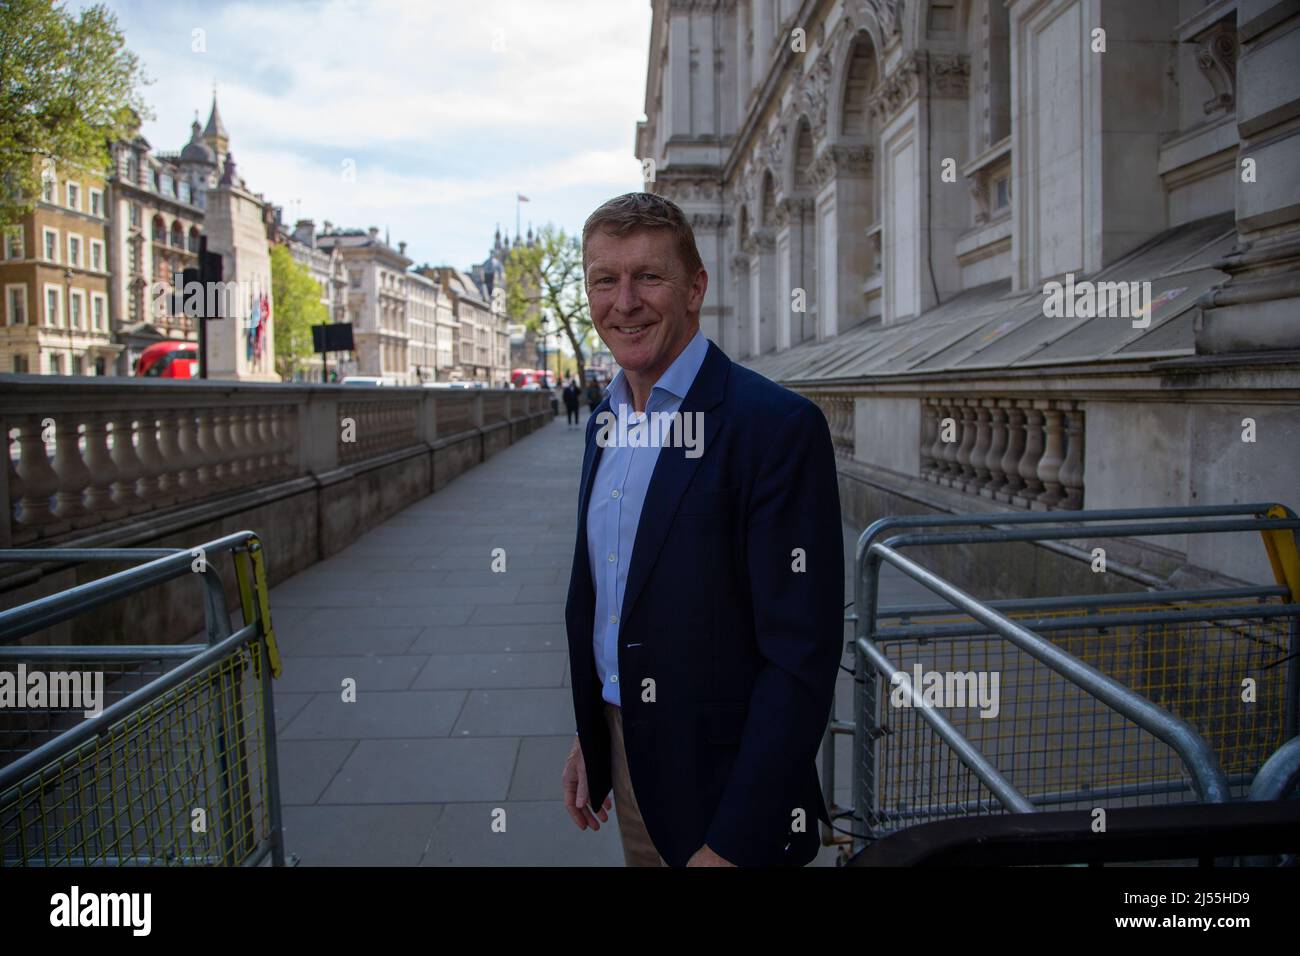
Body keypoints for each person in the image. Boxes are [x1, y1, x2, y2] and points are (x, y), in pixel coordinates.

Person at [560, 192, 843, 867]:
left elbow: (799, 658)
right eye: (605, 279)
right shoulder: (607, 420)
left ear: (696, 289)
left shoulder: (775, 428)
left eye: (648, 277)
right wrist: (597, 730)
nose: (623, 301)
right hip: (629, 763)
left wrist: (734, 841)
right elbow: (616, 597)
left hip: (728, 797)